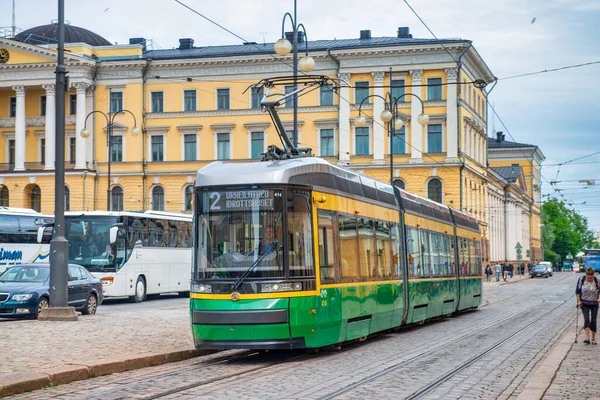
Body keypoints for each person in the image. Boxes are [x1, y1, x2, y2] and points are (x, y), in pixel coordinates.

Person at [576, 267, 600, 345]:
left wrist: (599, 298)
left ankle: (593, 338)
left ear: (593, 275)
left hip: (594, 303)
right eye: (588, 277)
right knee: (586, 319)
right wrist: (579, 301)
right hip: (584, 303)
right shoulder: (581, 280)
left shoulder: (597, 281)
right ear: (586, 275)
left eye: (591, 277)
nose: (589, 279)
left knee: (593, 320)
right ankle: (587, 338)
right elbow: (578, 291)